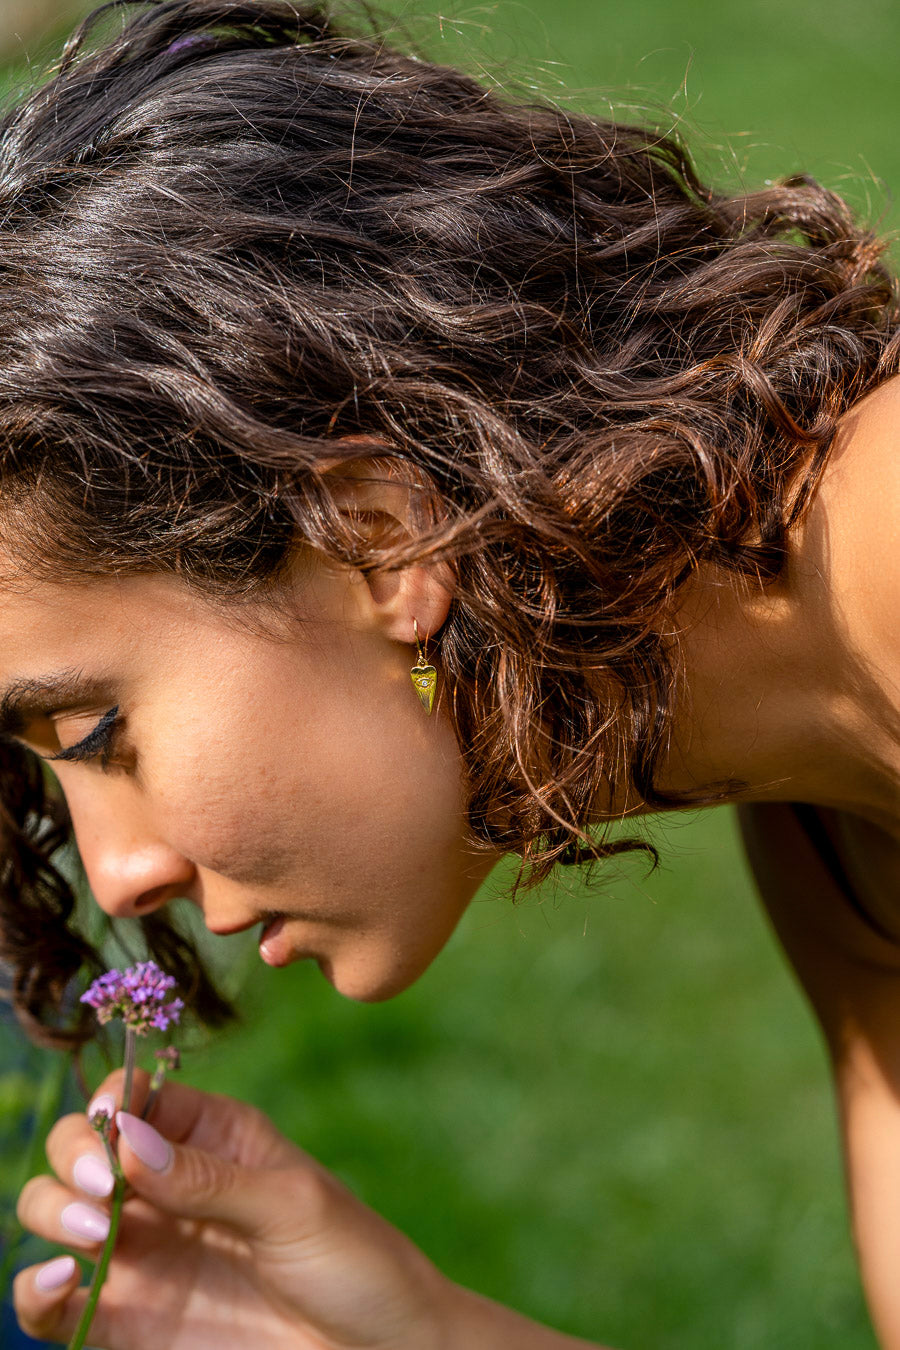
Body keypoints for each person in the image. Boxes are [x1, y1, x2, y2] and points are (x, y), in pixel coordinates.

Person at [2, 0, 899, 1345]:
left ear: (377, 534)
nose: (118, 874)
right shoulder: (833, 820)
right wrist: (419, 1329)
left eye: (97, 732)